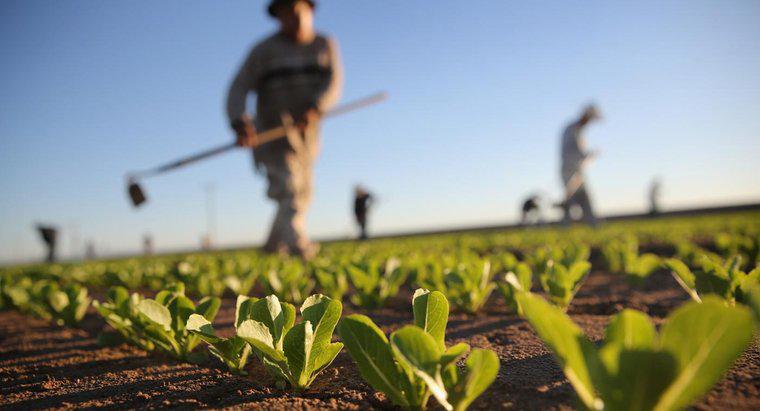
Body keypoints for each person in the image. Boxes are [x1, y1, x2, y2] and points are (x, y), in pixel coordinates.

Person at [226, 0, 343, 259]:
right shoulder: (263, 51)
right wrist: (239, 121)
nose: (292, 18)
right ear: (277, 17)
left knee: (302, 192)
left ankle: (271, 247)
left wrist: (316, 107)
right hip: (272, 133)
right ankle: (298, 247)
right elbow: (238, 87)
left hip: (307, 135)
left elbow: (333, 82)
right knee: (288, 186)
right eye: (285, 14)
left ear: (310, 11)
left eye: (296, 11)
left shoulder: (324, 45)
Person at [559, 104, 602, 225]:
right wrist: (589, 155)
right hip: (569, 171)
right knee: (570, 201)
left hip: (578, 171)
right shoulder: (571, 129)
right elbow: (572, 152)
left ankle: (593, 225)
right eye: (590, 119)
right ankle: (565, 227)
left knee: (584, 199)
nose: (590, 122)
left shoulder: (579, 131)